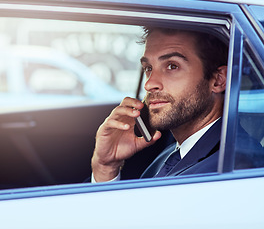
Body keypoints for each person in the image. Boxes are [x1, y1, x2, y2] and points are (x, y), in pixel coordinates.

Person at [91, 26, 229, 182]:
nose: (149, 84)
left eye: (172, 66)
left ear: (218, 80)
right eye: (148, 68)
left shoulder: (227, 170)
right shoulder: (173, 151)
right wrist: (105, 167)